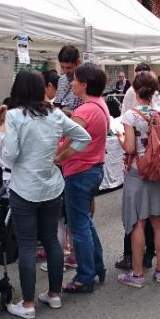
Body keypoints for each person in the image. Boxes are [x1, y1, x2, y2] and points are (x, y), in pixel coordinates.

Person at [2, 69, 91, 319]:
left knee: (27, 245)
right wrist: (60, 157)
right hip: (52, 185)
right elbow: (84, 137)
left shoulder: (14, 116)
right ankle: (54, 295)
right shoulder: (55, 114)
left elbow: (9, 155)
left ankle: (28, 304)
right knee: (52, 240)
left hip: (25, 188)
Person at [117, 70, 160, 288]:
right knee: (158, 223)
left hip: (137, 172)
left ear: (135, 90)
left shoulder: (130, 116)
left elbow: (130, 147)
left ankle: (137, 274)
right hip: (158, 172)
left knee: (137, 222)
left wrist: (121, 138)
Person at [58, 63, 110, 293]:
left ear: (85, 84)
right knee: (85, 223)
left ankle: (85, 276)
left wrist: (57, 156)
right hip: (93, 169)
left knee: (79, 226)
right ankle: (96, 267)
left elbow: (70, 142)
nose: (71, 83)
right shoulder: (99, 105)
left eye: (75, 80)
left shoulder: (85, 111)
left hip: (80, 171)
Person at [53, 45, 83, 115]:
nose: (65, 71)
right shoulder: (62, 80)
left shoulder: (87, 80)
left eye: (69, 67)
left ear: (78, 62)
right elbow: (57, 104)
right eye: (62, 67)